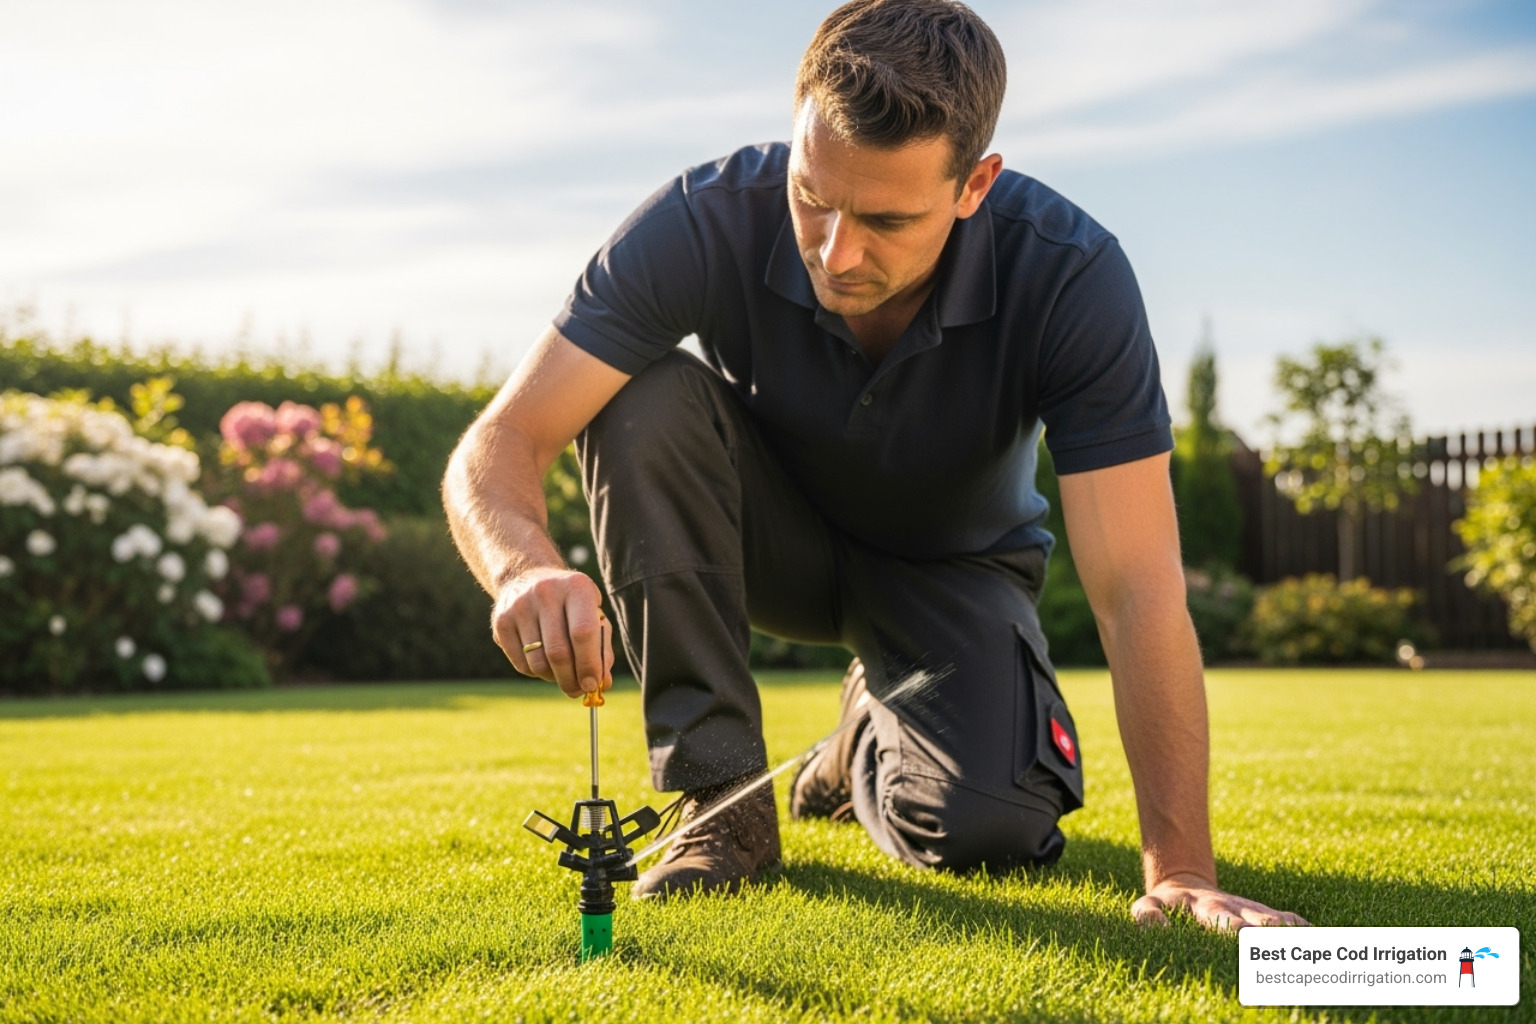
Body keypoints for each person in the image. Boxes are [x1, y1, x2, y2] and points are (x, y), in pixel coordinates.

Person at [444, 0, 1306, 930]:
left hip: (953, 574)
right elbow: (500, 442)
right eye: (813, 197)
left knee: (991, 832)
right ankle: (721, 807)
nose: (835, 249)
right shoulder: (704, 218)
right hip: (767, 549)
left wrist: (1179, 866)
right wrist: (521, 566)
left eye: (886, 218)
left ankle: (858, 737)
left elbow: (1137, 585)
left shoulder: (1071, 275)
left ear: (974, 185)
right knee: (639, 395)